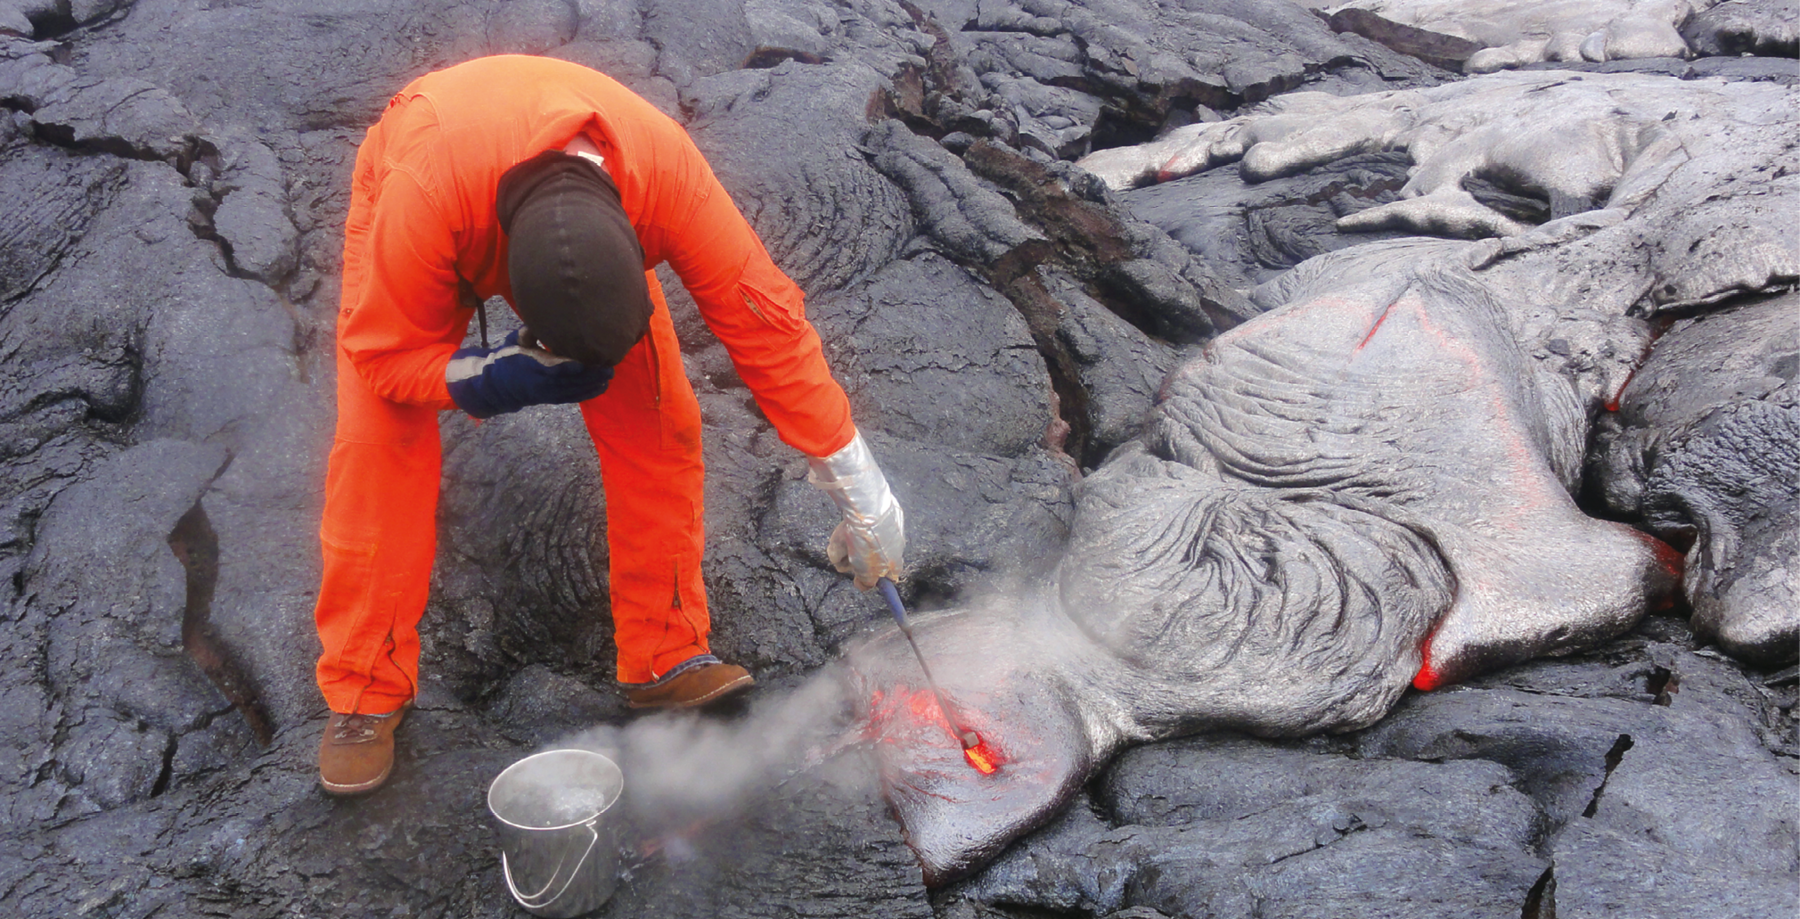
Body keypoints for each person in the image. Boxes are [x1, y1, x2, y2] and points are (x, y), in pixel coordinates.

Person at [312, 54, 906, 796]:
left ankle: (665, 655)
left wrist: (858, 484)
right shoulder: (421, 198)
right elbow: (383, 359)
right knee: (378, 444)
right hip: (434, 161)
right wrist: (483, 375)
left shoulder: (669, 178)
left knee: (663, 416)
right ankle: (363, 691)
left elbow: (769, 323)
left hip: (556, 204)